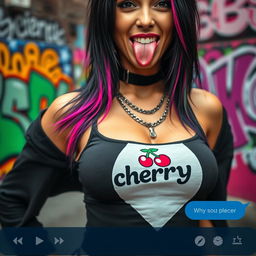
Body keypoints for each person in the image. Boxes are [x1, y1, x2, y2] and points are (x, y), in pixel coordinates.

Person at [0, 0, 233, 250]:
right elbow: (12, 203)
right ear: (107, 19)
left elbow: (212, 213)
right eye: (128, 4)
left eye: (161, 5)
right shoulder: (71, 113)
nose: (145, 19)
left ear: (179, 19)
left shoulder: (208, 110)